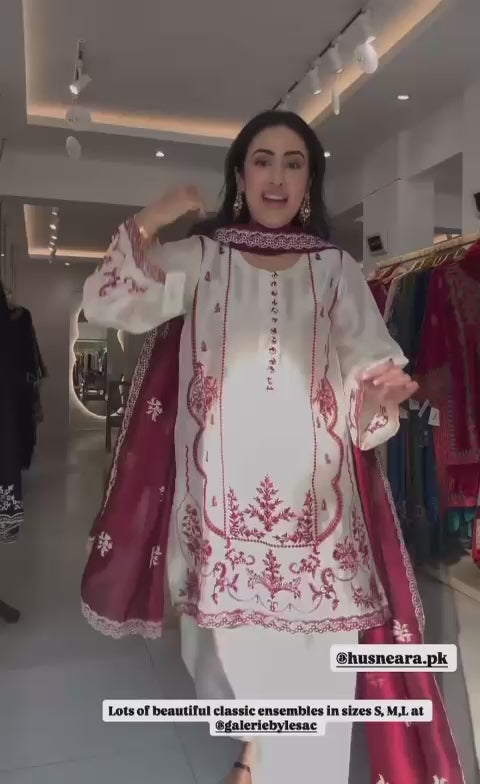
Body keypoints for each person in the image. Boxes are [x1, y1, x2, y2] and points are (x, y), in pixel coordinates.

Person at [81, 111, 463, 784]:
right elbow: (112, 302)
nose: (278, 177)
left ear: (311, 181)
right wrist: (154, 217)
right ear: (240, 174)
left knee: (318, 696)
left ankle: (273, 763)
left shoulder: (336, 270)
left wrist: (381, 393)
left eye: (294, 162)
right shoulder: (204, 260)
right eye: (263, 160)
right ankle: (257, 750)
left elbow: (367, 364)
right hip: (222, 523)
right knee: (233, 672)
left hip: (321, 520)